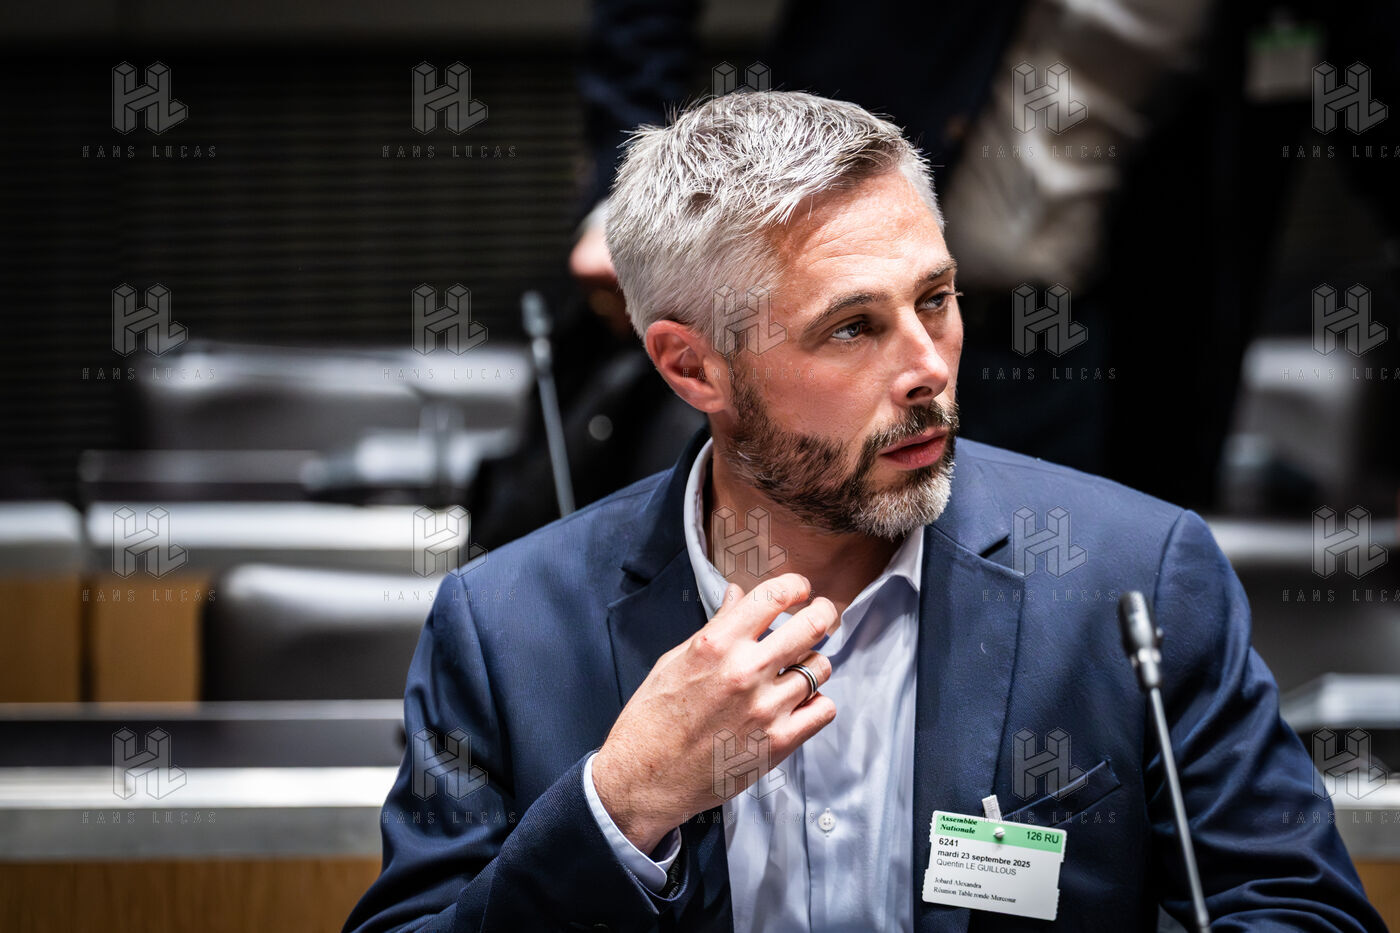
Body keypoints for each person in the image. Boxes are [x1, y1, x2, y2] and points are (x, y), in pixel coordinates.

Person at [343, 90, 1384, 932]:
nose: (927, 368)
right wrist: (621, 805)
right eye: (851, 328)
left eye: (934, 299)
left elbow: (1302, 911)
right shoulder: (504, 628)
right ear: (692, 367)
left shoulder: (1134, 578)